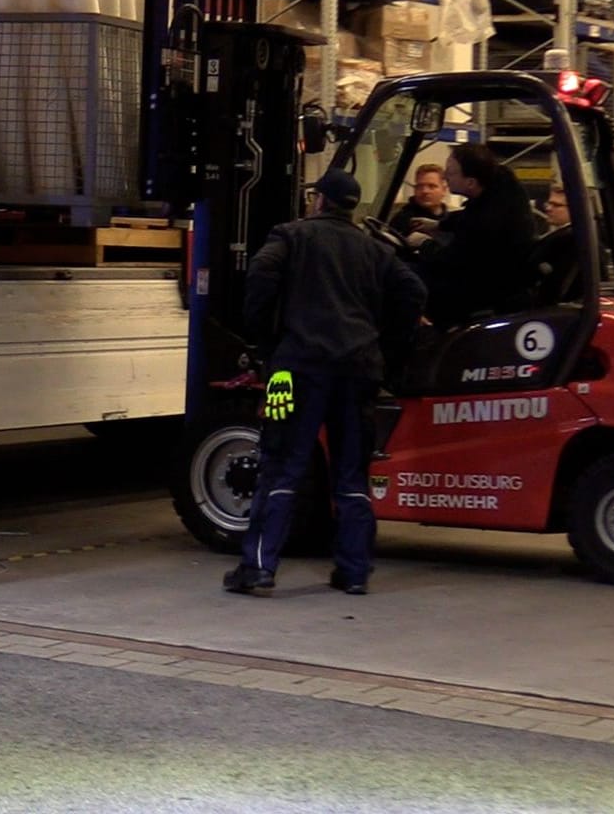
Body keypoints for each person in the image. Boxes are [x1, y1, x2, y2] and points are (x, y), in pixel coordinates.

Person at [224, 167, 427, 597]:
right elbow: (412, 291)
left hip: (292, 372)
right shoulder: (375, 250)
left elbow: (260, 276)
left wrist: (265, 339)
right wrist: (387, 344)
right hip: (359, 372)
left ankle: (258, 568)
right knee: (352, 474)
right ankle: (354, 572)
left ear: (318, 200)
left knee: (280, 464)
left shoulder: (290, 236)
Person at [414, 143, 535, 327]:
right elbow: (470, 215)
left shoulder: (487, 223)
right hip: (498, 280)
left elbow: (452, 259)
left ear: (470, 182)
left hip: (486, 287)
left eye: (451, 172)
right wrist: (439, 224)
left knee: (408, 281)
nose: (445, 176)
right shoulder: (498, 187)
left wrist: (423, 244)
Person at [531, 182, 579, 304]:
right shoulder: (563, 235)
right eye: (549, 203)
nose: (548, 208)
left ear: (574, 209)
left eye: (556, 205)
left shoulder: (568, 239)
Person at [387, 162, 449, 236]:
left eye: (432, 186)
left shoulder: (452, 220)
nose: (424, 191)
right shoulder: (403, 219)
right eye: (420, 186)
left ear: (444, 190)